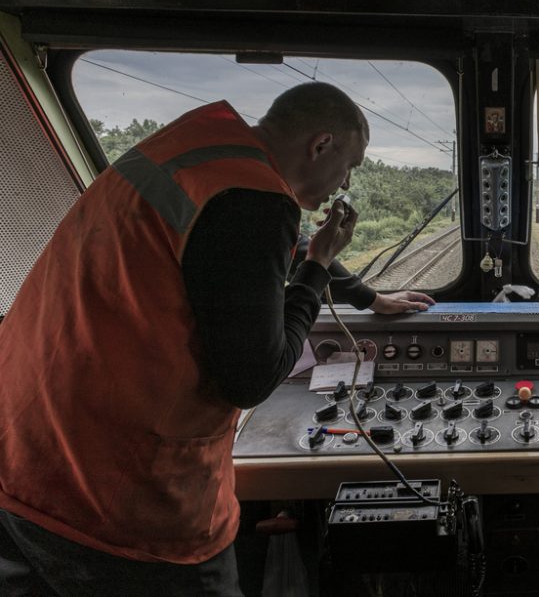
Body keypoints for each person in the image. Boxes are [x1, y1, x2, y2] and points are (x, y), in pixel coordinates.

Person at [0, 82, 432, 595]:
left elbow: (249, 247)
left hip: (25, 452)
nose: (344, 183)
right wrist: (315, 270)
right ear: (321, 145)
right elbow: (253, 377)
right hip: (116, 492)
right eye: (351, 165)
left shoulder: (196, 154)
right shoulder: (251, 198)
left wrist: (367, 297)